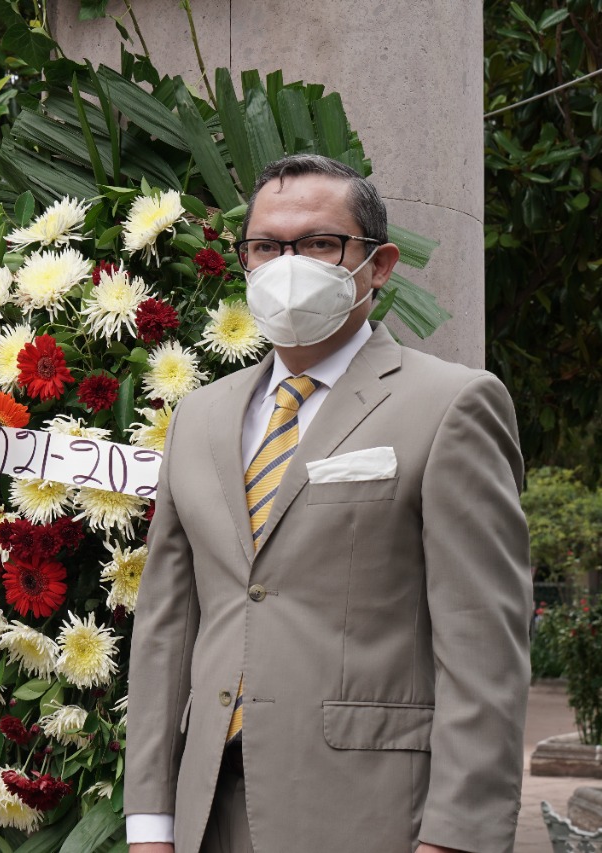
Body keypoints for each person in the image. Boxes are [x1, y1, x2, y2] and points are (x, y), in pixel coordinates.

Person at [124, 155, 531, 853]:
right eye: (266, 246)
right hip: (208, 811)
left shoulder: (451, 404)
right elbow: (165, 627)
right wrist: (150, 824)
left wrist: (456, 838)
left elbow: (482, 641)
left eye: (318, 243)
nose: (288, 264)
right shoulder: (199, 416)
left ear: (378, 264)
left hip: (371, 813)